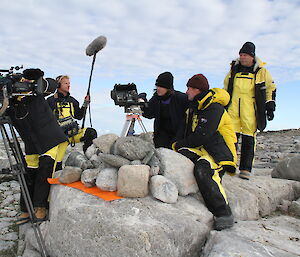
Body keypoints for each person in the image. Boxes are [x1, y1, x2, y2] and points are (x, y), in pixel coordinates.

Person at [172, 74, 237, 231]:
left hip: (219, 152)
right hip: (202, 149)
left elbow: (202, 135)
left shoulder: (214, 108)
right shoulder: (195, 107)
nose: (186, 91)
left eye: (189, 88)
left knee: (203, 170)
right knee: (181, 153)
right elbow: (187, 133)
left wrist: (178, 144)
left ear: (197, 90)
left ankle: (223, 213)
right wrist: (176, 145)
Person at [6, 69, 69, 224]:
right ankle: (26, 208)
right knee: (29, 172)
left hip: (51, 139)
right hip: (31, 142)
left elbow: (52, 85)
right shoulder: (9, 103)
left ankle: (40, 207)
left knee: (45, 170)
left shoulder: (35, 90)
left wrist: (33, 79)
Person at [224, 42, 277, 180]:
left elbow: (270, 88)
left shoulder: (261, 71)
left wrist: (270, 106)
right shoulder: (233, 70)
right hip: (233, 108)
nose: (242, 57)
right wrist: (222, 103)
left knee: (249, 138)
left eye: (245, 55)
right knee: (230, 137)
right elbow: (225, 87)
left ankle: (245, 169)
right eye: (240, 55)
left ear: (252, 56)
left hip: (250, 109)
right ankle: (229, 165)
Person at [47, 75, 97, 157]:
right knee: (56, 161)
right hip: (57, 136)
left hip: (72, 134)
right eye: (65, 83)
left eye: (69, 83)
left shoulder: (73, 101)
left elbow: (79, 116)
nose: (68, 85)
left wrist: (85, 103)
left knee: (91, 133)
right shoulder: (50, 101)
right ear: (58, 85)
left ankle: (88, 156)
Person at [141, 71, 189, 148]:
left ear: (168, 88)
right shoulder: (156, 99)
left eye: (162, 86)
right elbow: (149, 113)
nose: (158, 89)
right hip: (161, 136)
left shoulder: (181, 98)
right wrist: (142, 104)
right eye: (157, 86)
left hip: (178, 137)